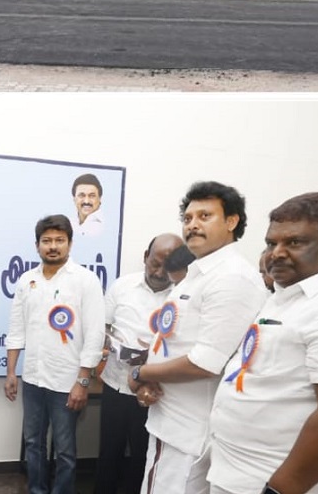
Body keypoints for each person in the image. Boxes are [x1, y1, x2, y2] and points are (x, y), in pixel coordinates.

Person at [127, 182, 267, 494]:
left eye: (205, 216)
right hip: (172, 420)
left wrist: (141, 373)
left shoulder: (230, 277)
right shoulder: (200, 273)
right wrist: (149, 381)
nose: (193, 224)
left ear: (231, 222)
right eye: (188, 218)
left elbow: (205, 363)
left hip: (190, 433)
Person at [208, 192, 318, 494]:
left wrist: (280, 489)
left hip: (279, 485)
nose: (276, 253)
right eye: (272, 243)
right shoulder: (288, 292)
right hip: (237, 476)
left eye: (294, 242)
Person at [4, 215, 104, 494]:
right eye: (46, 241)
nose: (53, 246)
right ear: (37, 245)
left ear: (70, 244)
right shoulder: (27, 280)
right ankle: (36, 489)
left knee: (65, 450)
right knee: (33, 443)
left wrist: (83, 381)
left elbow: (95, 335)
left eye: (59, 240)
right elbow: (16, 328)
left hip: (67, 382)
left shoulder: (86, 280)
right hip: (33, 379)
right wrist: (11, 373)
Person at [93, 233, 183, 494]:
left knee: (144, 455)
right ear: (145, 256)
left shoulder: (181, 295)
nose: (160, 271)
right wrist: (109, 345)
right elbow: (103, 328)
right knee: (109, 451)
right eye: (155, 262)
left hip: (155, 391)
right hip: (116, 384)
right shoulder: (122, 286)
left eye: (168, 266)